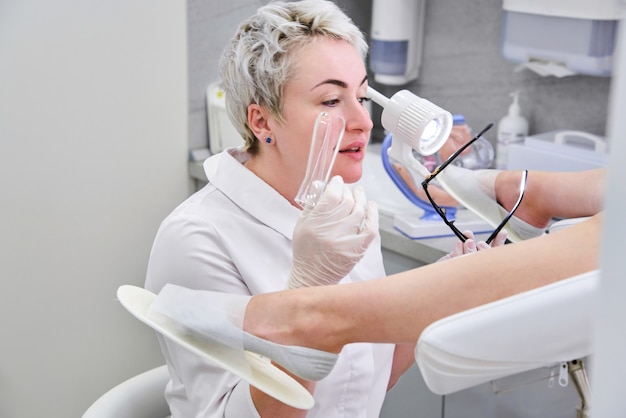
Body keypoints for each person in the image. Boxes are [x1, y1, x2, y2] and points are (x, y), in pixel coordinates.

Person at [145, 1, 489, 417]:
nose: (363, 120)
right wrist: (307, 295)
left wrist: (443, 292)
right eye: (330, 100)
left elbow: (363, 383)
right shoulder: (196, 239)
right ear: (262, 121)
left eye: (361, 95)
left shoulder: (346, 211)